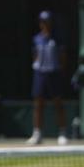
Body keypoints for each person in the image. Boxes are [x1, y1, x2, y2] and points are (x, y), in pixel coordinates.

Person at [26, 11, 68, 146]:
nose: (46, 24)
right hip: (40, 74)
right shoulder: (36, 39)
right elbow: (35, 56)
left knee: (58, 104)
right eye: (43, 22)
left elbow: (63, 57)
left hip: (54, 73)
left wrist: (59, 69)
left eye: (48, 21)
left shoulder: (58, 39)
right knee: (38, 105)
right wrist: (38, 67)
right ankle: (37, 134)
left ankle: (62, 134)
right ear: (40, 23)